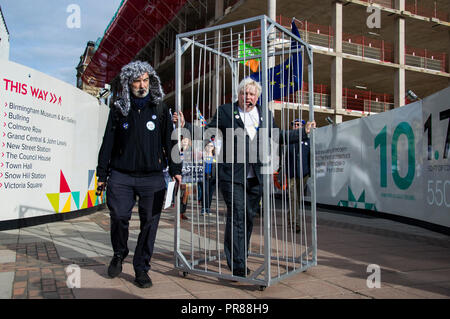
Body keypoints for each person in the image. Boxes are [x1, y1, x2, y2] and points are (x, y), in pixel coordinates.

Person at [174, 78, 314, 278]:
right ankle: (238, 264)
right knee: (237, 216)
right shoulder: (225, 111)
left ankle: (240, 253)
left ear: (257, 97)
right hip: (232, 176)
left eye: (251, 94)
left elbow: (278, 136)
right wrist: (185, 125)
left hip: (255, 177)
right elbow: (207, 131)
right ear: (238, 94)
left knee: (248, 218)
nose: (247, 97)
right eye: (244, 93)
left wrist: (303, 133)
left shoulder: (264, 114)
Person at [96, 60, 182, 288]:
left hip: (152, 177)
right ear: (128, 83)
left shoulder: (161, 108)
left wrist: (176, 170)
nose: (142, 85)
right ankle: (119, 252)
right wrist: (102, 174)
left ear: (151, 82)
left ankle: (141, 268)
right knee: (119, 216)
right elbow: (108, 142)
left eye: (145, 80)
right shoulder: (118, 108)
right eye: (137, 81)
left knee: (150, 224)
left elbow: (170, 141)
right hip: (121, 176)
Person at [284, 118, 315, 233]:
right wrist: (284, 173)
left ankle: (290, 216)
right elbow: (286, 159)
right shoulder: (290, 141)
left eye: (298, 125)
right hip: (292, 174)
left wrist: (310, 173)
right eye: (294, 124)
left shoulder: (307, 141)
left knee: (297, 199)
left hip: (304, 174)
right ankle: (294, 223)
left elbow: (310, 158)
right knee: (293, 198)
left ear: (302, 126)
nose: (295, 126)